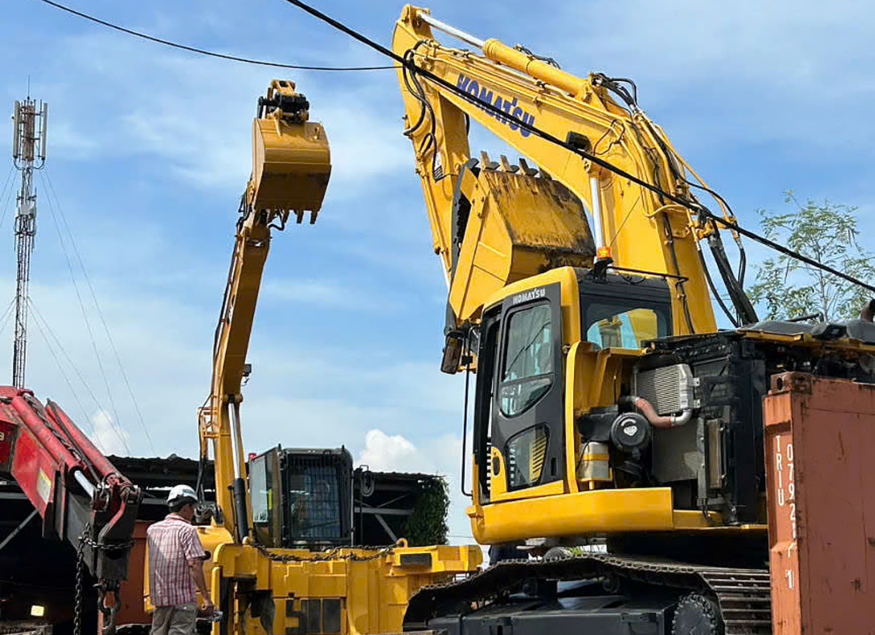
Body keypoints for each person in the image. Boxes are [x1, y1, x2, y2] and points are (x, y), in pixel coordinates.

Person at [147, 484, 214, 635]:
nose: (194, 511)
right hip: (182, 603)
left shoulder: (152, 530)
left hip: (160, 603)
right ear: (185, 508)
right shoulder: (187, 530)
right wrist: (206, 598)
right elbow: (194, 565)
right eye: (193, 507)